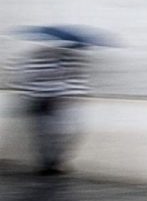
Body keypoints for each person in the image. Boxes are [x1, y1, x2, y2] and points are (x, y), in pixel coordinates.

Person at [9, 40, 88, 176]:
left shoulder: (72, 61)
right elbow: (25, 79)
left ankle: (54, 162)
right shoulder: (35, 59)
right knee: (44, 134)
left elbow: (74, 81)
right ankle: (48, 164)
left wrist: (73, 94)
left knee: (60, 133)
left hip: (58, 101)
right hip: (42, 100)